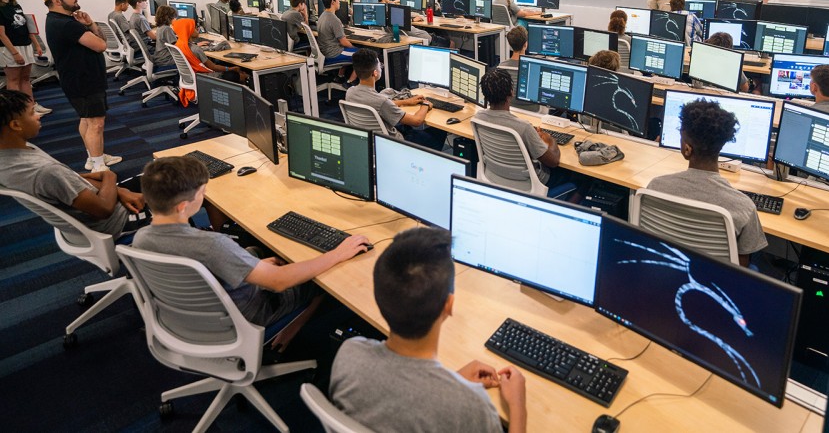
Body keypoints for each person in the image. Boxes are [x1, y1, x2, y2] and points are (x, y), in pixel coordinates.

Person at [133, 156, 371, 349]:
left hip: (186, 318)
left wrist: (248, 263)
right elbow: (279, 281)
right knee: (323, 276)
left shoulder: (141, 238)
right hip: (245, 317)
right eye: (202, 192)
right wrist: (338, 253)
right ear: (183, 206)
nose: (204, 196)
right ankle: (293, 327)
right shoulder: (211, 245)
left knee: (256, 251)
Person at [328, 226, 526, 433]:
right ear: (449, 305)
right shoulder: (470, 407)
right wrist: (517, 406)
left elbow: (406, 396)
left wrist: (454, 381)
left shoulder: (348, 354)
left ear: (378, 298)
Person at [0, 89, 144, 238]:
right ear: (16, 125)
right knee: (166, 192)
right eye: (31, 113)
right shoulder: (43, 171)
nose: (38, 116)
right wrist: (110, 176)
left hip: (102, 201)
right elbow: (104, 210)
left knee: (163, 174)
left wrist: (120, 191)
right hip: (118, 222)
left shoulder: (11, 155)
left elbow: (71, 181)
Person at [647, 98, 767, 267]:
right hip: (714, 284)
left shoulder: (655, 187)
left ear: (687, 149)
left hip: (664, 271)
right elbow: (741, 267)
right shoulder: (744, 206)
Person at [43, 0, 121, 171]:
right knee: (96, 123)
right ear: (57, 1)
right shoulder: (66, 25)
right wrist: (90, 26)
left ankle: (94, 157)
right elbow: (102, 45)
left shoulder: (57, 20)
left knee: (86, 119)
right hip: (84, 80)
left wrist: (90, 24)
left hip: (77, 79)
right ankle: (98, 167)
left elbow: (98, 43)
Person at [476, 68, 564, 191]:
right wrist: (550, 139)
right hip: (528, 185)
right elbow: (553, 161)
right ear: (511, 92)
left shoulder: (478, 118)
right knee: (578, 177)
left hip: (494, 177)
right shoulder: (523, 127)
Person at [345, 48, 445, 150]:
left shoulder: (350, 92)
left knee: (406, 127)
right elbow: (417, 121)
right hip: (394, 144)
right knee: (439, 132)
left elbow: (377, 104)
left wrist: (405, 101)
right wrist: (426, 104)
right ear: (375, 73)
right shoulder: (381, 102)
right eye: (381, 66)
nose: (381, 68)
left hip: (369, 142)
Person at [0, 0, 50, 115]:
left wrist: (36, 44)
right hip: (10, 48)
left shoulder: (16, 6)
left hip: (25, 44)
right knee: (14, 79)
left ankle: (31, 106)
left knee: (26, 78)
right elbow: (2, 35)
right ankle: (18, 110)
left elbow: (27, 27)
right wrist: (15, 53)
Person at [171, 17, 245, 83]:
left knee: (222, 64)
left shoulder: (179, 45)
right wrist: (231, 68)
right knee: (235, 75)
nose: (197, 29)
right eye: (194, 28)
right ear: (189, 31)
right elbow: (213, 67)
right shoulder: (196, 49)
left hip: (191, 78)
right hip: (202, 77)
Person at [497, 26, 541, 113]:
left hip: (510, 108)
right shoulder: (535, 66)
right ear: (525, 44)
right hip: (534, 110)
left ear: (510, 44)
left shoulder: (501, 66)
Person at [316, 0, 355, 67]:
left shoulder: (322, 15)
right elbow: (343, 42)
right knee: (363, 54)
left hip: (324, 52)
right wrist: (354, 48)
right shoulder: (334, 19)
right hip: (334, 53)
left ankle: (340, 75)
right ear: (333, 2)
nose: (339, 2)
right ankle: (351, 80)